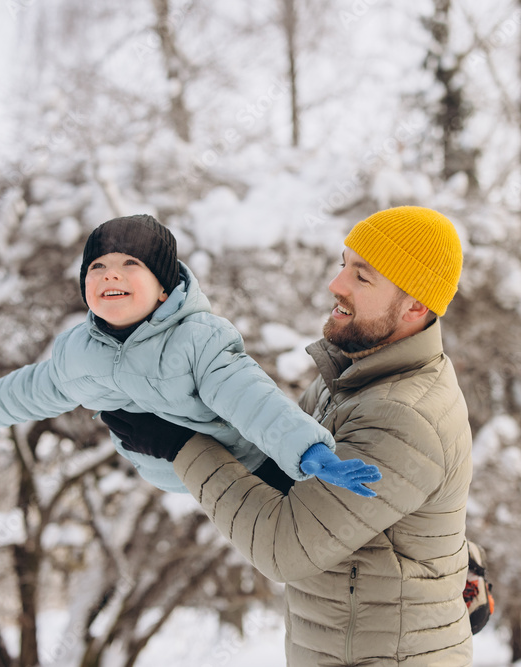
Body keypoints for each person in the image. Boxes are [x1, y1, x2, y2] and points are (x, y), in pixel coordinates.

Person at [105, 206, 474, 666]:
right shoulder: (352, 379)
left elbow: (285, 547)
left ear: (415, 306)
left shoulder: (400, 416)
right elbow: (281, 471)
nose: (336, 284)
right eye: (343, 264)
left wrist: (180, 445)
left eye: (362, 276)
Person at [0, 214, 381, 496]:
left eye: (130, 264)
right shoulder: (78, 350)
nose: (110, 274)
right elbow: (40, 387)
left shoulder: (196, 339)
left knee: (315, 529)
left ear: (164, 290)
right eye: (97, 267)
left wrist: (307, 450)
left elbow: (249, 398)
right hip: (184, 480)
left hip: (254, 466)